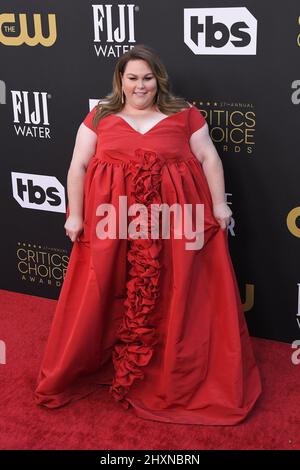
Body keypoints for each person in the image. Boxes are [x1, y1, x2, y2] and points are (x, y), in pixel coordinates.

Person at [34, 44, 262, 425]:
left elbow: (209, 159)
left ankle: (168, 373)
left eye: (148, 78)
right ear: (121, 81)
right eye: (133, 78)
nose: (141, 86)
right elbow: (78, 166)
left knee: (175, 293)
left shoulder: (185, 115)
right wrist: (74, 215)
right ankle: (108, 364)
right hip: (113, 223)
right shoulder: (100, 116)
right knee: (109, 291)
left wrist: (220, 206)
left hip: (175, 222)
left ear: (159, 80)